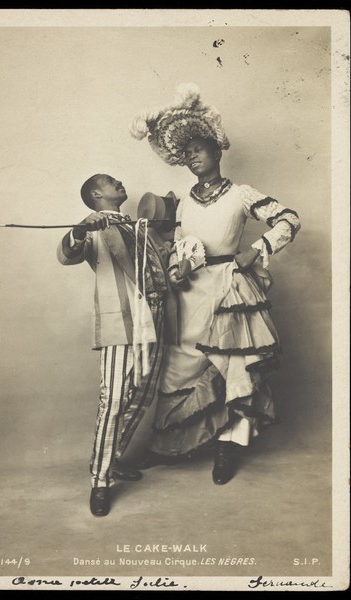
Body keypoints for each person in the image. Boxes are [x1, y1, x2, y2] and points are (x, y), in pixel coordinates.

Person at [130, 83, 301, 484]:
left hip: (229, 288)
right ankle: (170, 446)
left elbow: (289, 218)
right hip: (189, 293)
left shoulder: (241, 194)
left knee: (232, 363)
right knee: (178, 365)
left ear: (217, 151)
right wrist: (175, 265)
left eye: (199, 150)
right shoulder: (183, 202)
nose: (192, 158)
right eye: (186, 154)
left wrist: (257, 248)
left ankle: (228, 448)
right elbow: (175, 244)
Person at [57, 173, 176, 515]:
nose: (120, 183)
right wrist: (79, 230)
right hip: (123, 321)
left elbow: (157, 266)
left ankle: (112, 459)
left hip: (155, 320)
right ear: (97, 194)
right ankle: (100, 481)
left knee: (142, 393)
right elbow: (68, 254)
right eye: (111, 182)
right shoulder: (94, 226)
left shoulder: (140, 225)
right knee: (113, 399)